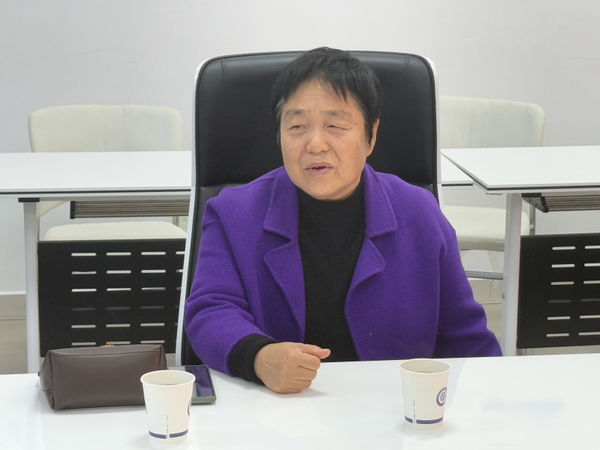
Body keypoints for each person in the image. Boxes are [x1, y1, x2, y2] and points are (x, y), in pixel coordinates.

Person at [185, 47, 501, 394]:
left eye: (335, 126)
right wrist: (258, 355)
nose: (315, 144)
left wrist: (492, 403)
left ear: (371, 136)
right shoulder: (233, 213)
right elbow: (209, 311)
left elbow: (465, 337)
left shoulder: (418, 213)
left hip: (394, 408)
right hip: (276, 407)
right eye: (296, 126)